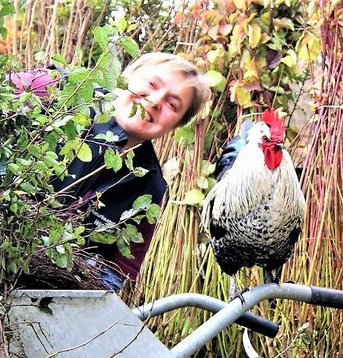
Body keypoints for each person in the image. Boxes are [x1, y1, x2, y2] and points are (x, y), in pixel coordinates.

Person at [14, 53, 211, 289]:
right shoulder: (57, 88)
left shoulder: (149, 188)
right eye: (151, 84)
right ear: (126, 76)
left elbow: (117, 273)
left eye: (172, 105)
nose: (156, 100)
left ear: (175, 126)